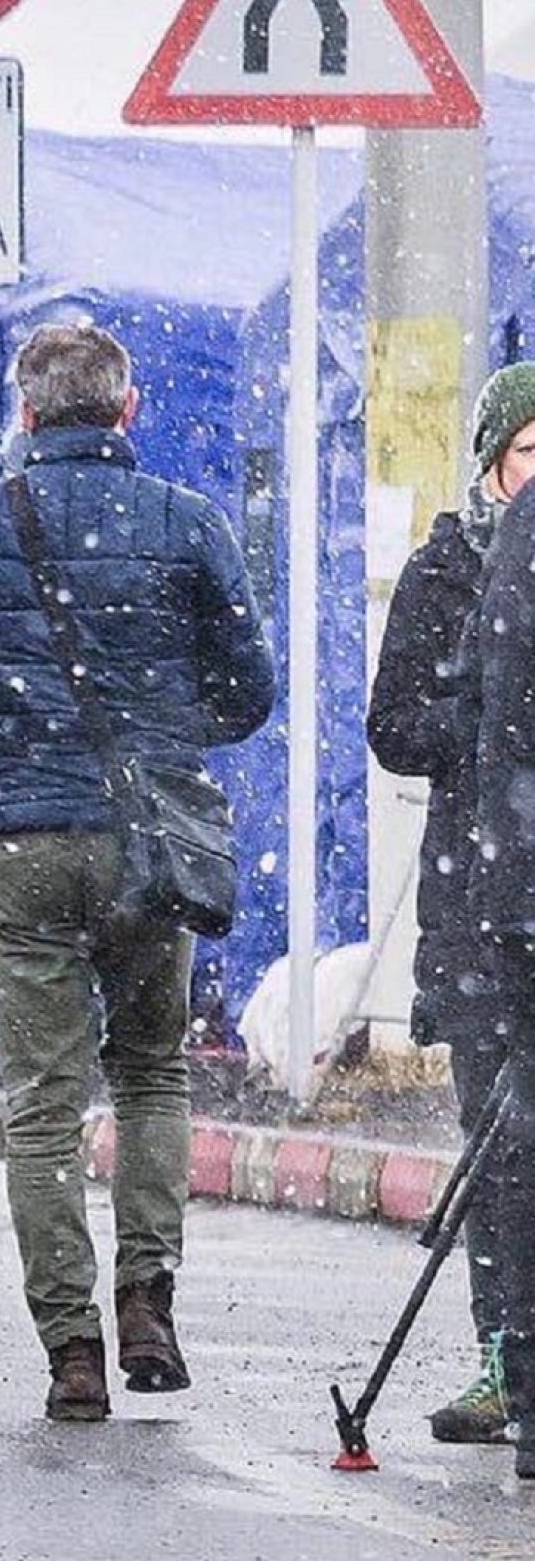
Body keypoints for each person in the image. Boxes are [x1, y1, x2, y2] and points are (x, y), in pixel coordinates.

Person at [0, 323, 274, 1423]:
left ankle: (71, 1352)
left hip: (16, 843)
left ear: (22, 413)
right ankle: (147, 1298)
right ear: (126, 410)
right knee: (152, 1071)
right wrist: (157, 732)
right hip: (148, 839)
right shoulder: (187, 524)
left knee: (43, 1104)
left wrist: (1, 743)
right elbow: (249, 689)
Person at [367, 363, 535, 1445]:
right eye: (529, 452)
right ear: (492, 462)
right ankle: (504, 1356)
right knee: (500, 1140)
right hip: (482, 894)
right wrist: (483, 722)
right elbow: (398, 725)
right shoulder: (450, 568)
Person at [460, 373, 535, 1483]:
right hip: (515, 890)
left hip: (517, 885)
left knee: (522, 1150)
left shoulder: (520, 543)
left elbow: (495, 703)